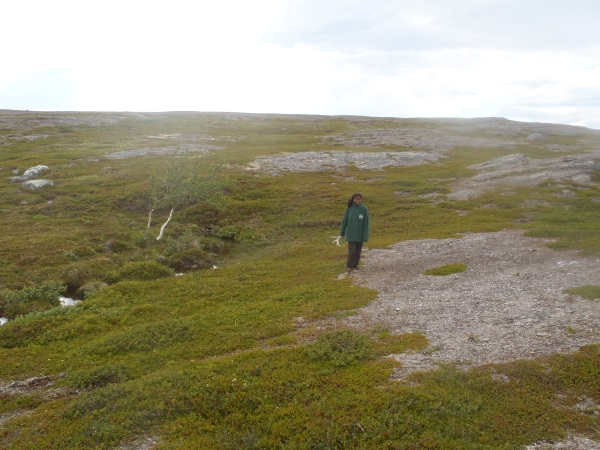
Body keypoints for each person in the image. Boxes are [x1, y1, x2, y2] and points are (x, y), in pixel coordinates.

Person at [339, 193, 370, 273]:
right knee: (352, 250)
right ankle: (349, 266)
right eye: (356, 199)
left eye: (359, 199)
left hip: (360, 234)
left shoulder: (364, 209)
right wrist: (342, 233)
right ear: (353, 200)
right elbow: (344, 221)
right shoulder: (348, 209)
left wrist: (365, 235)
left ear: (361, 200)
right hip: (351, 234)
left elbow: (366, 223)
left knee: (358, 251)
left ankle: (355, 266)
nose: (358, 200)